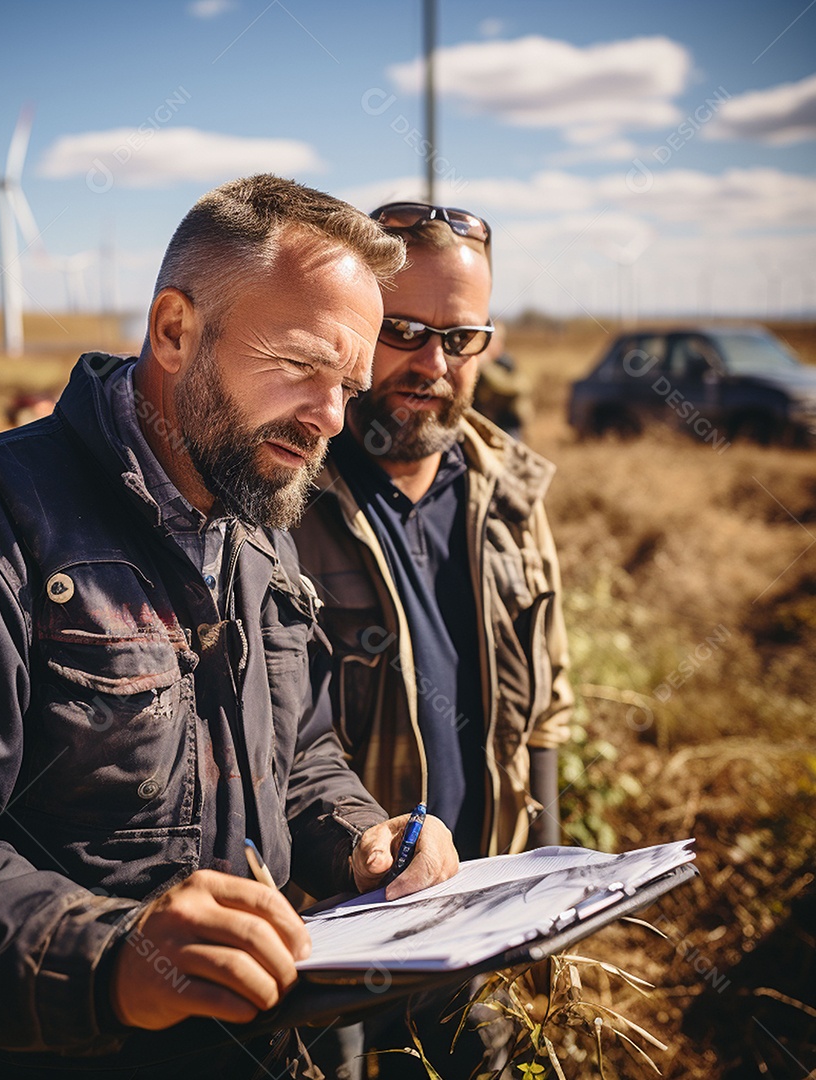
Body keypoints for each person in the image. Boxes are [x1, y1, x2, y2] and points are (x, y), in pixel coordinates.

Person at [0, 176, 460, 1080]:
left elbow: (299, 753)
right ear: (176, 330)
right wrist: (112, 959)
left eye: (347, 385)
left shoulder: (257, 524)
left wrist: (357, 839)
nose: (331, 420)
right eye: (302, 365)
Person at [292, 203, 572, 1073]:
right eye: (405, 330)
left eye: (463, 337)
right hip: (318, 926)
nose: (434, 364)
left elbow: (550, 706)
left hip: (474, 917)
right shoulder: (282, 493)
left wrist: (550, 882)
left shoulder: (510, 493)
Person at [471, 320, 534, 441]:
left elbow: (513, 387)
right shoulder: (480, 363)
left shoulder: (507, 364)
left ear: (499, 343)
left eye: (489, 340)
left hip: (508, 424)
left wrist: (485, 366)